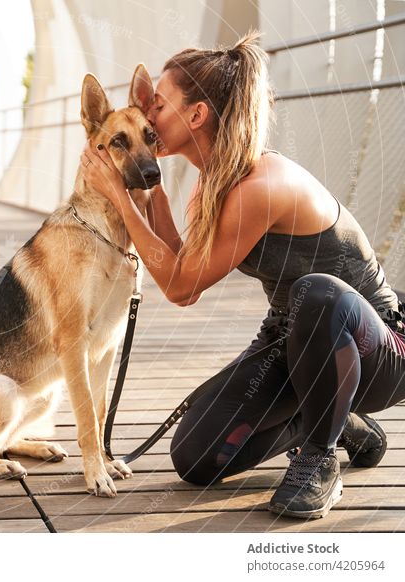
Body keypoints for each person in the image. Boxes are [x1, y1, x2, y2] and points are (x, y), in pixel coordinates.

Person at [79, 31, 405, 519]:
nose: (148, 113)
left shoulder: (261, 186)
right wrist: (149, 189)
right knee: (196, 455)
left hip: (375, 345)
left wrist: (121, 198)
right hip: (294, 340)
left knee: (316, 293)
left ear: (196, 115)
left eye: (160, 104)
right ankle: (336, 418)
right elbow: (179, 268)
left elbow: (180, 284)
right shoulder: (212, 183)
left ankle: (319, 458)